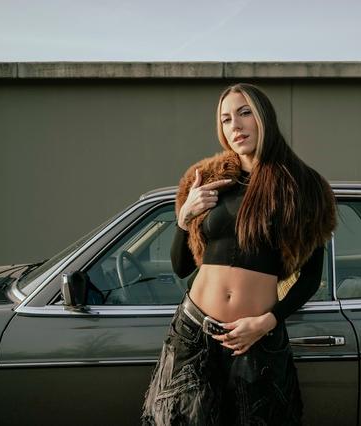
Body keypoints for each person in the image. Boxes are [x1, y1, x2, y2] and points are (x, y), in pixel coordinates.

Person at [141, 83, 336, 425]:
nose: (236, 126)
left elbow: (310, 278)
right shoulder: (207, 179)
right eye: (226, 119)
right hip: (193, 330)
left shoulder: (304, 186)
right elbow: (181, 266)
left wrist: (265, 322)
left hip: (255, 337)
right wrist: (184, 218)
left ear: (264, 118)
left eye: (245, 113)